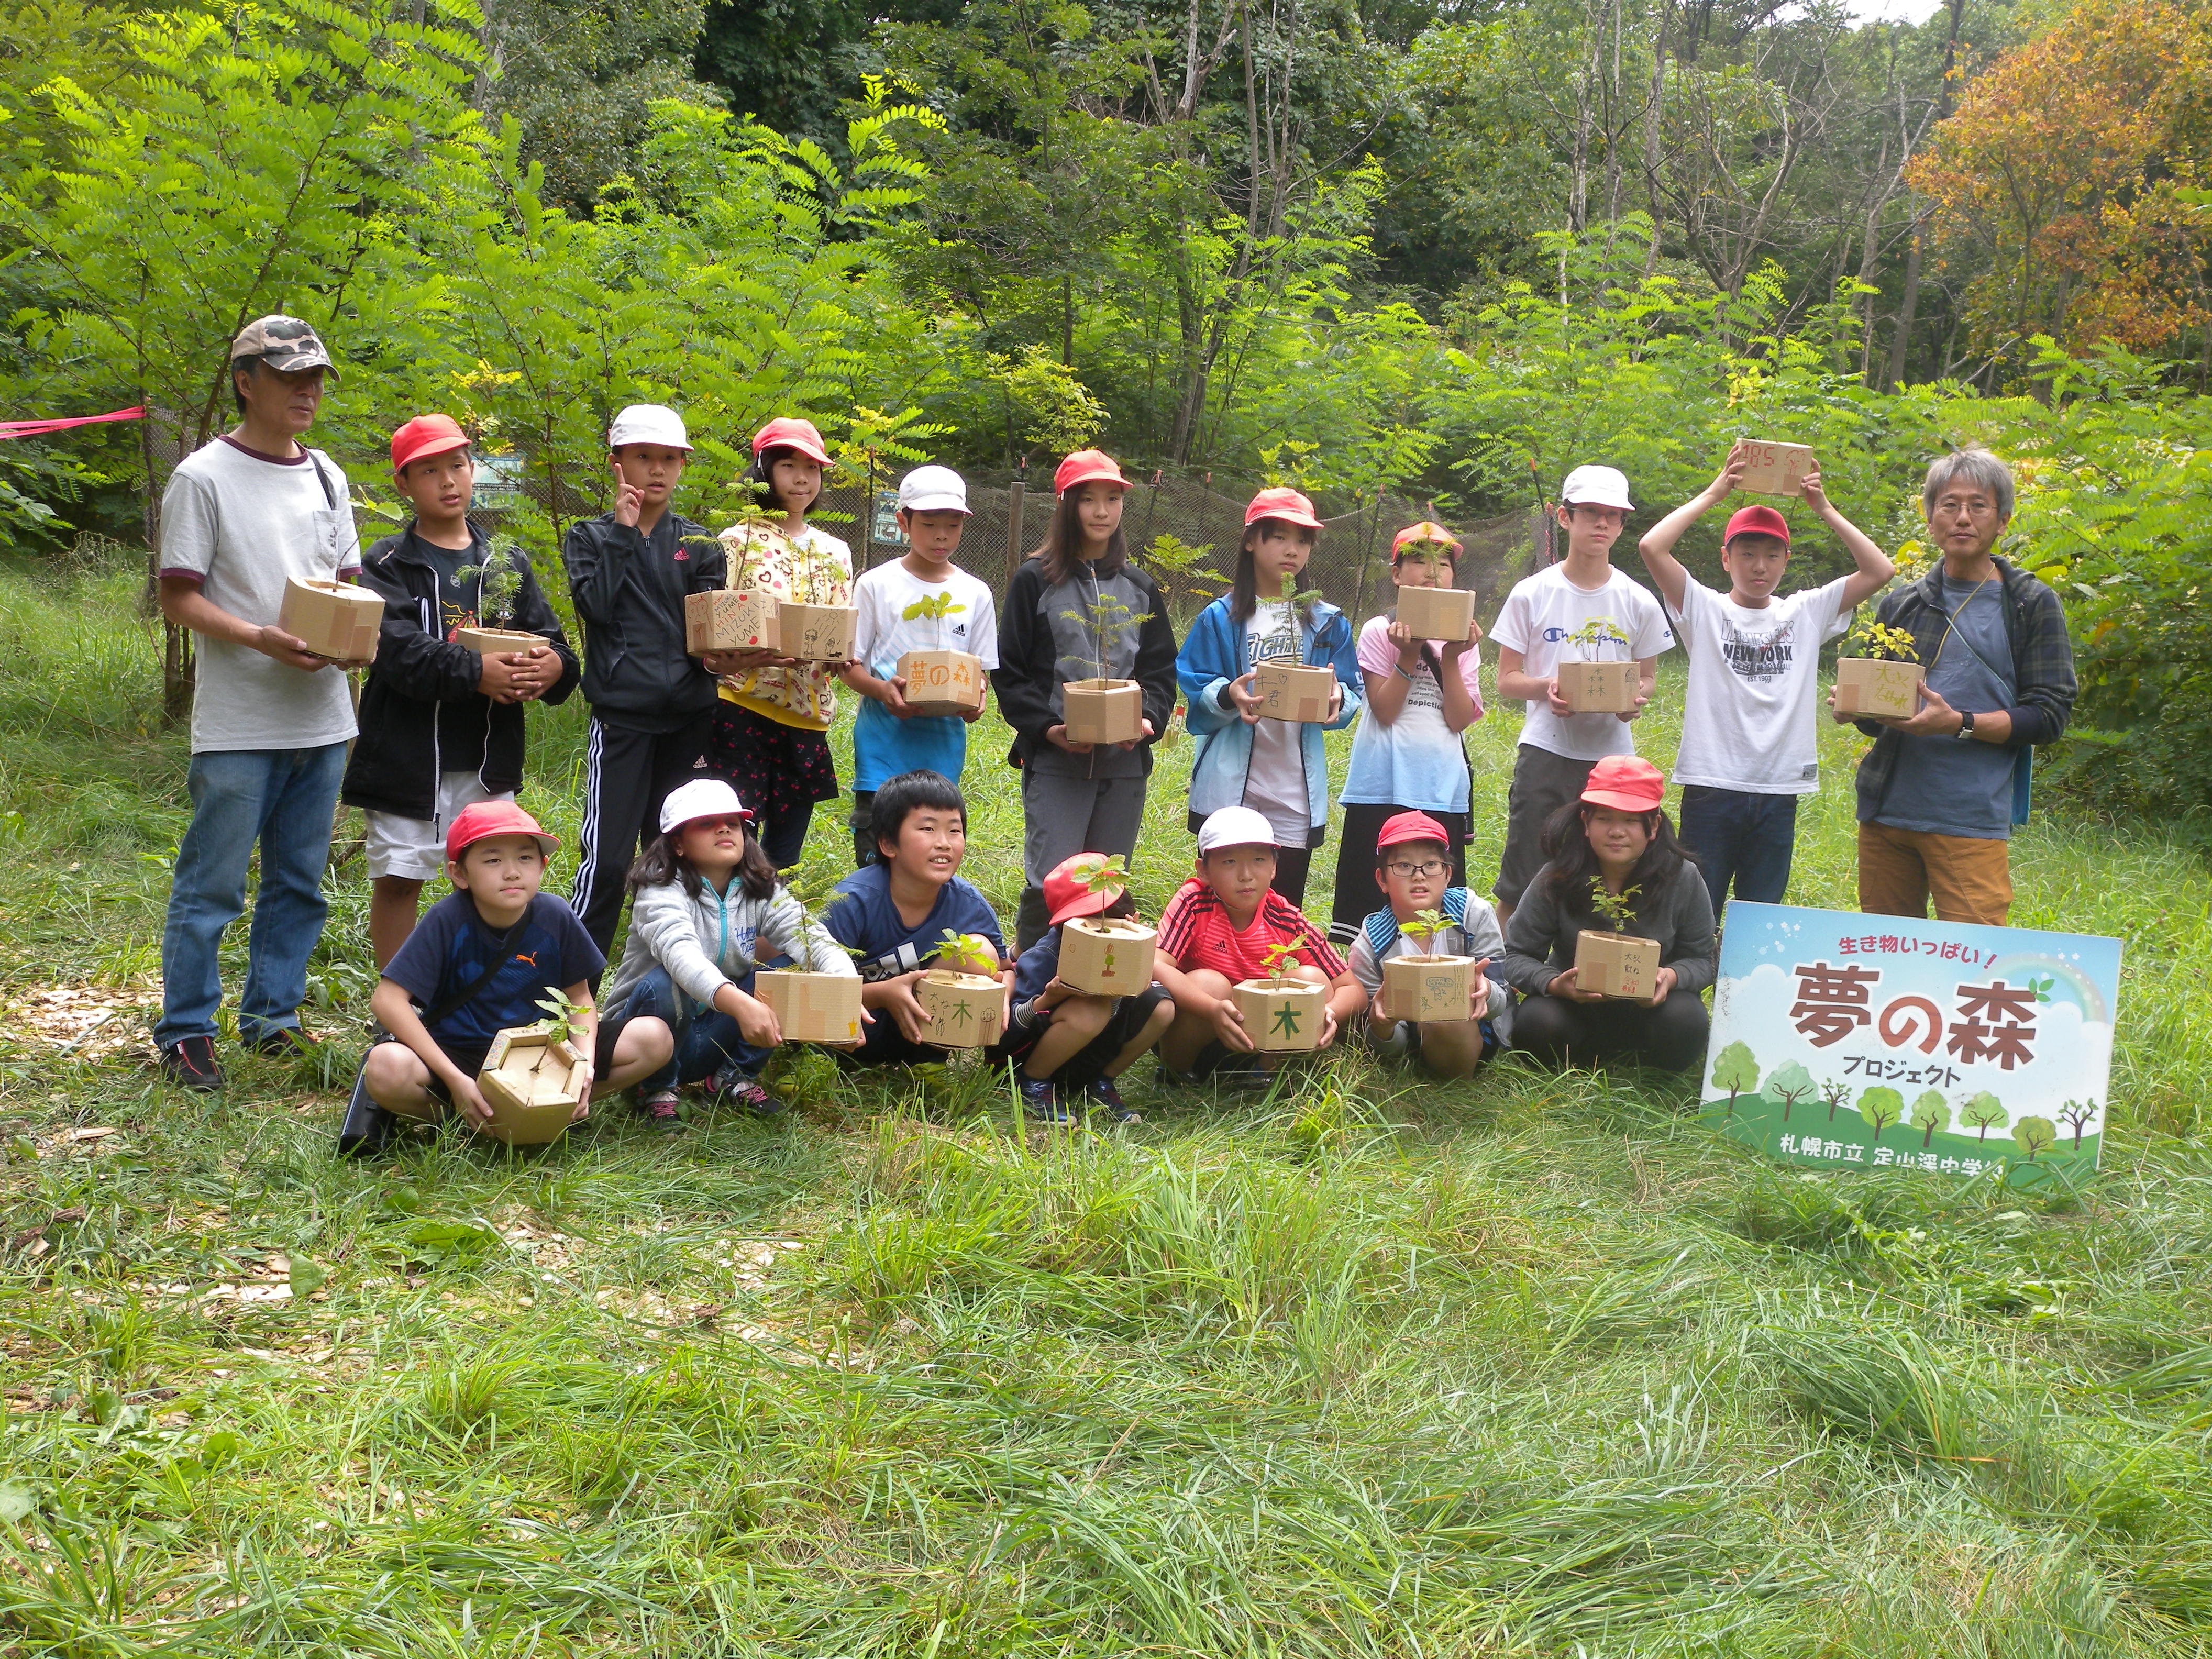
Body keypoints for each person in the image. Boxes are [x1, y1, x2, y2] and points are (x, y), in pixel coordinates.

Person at [153, 316, 364, 1090]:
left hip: (324, 715)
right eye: (290, 376)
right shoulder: (202, 477)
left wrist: (351, 632)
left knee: (301, 881)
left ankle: (273, 1016)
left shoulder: (328, 476)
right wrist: (261, 637)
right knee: (213, 882)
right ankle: (186, 1030)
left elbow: (342, 581)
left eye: (315, 377)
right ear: (247, 381)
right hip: (240, 721)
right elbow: (179, 598)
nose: (308, 390)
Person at [344, 413, 579, 969]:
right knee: (400, 879)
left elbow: (557, 647)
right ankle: (399, 1012)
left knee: (490, 885)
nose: (448, 481)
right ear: (403, 484)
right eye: (429, 471)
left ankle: (475, 1002)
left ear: (475, 471)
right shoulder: (386, 563)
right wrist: (478, 672)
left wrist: (553, 672)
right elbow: (394, 651)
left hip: (486, 764)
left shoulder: (505, 562)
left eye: (457, 465)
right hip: (405, 759)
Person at [1637, 444, 1894, 913]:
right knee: (1698, 911)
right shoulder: (1705, 609)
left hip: (1779, 788)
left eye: (1772, 555)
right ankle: (1691, 987)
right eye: (1748, 553)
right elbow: (1652, 547)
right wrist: (1716, 492)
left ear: (1786, 561)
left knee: (1760, 915)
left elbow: (1880, 570)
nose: (1760, 566)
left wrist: (1824, 507)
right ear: (1726, 559)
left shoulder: (1806, 612)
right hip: (1713, 784)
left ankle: (1743, 989)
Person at [1834, 447, 2076, 926]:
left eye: (1978, 506)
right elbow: (1878, 719)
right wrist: (1854, 707)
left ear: (2002, 520)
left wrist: (1958, 724)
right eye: (1949, 505)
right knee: (1886, 954)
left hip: (1970, 820)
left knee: (1972, 961)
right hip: (1887, 813)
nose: (1963, 518)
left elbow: (2049, 715)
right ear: (1930, 519)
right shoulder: (1903, 604)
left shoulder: (2030, 604)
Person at [362, 801, 668, 1131]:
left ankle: (550, 1109)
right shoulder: (446, 920)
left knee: (655, 1038)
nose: (512, 871)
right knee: (385, 1067)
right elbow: (387, 1000)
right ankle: (472, 1117)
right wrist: (455, 1080)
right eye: (493, 860)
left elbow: (580, 999)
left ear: (542, 866)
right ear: (459, 873)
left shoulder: (555, 915)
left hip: (540, 1051)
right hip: (461, 1055)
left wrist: (583, 1066)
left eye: (525, 858)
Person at [996, 449, 1179, 950]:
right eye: (1090, 499)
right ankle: (1032, 986)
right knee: (1051, 879)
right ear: (1066, 505)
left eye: (1113, 499)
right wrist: (1050, 729)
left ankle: (1096, 986)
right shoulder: (1034, 580)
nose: (1103, 511)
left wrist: (1147, 720)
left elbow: (1161, 672)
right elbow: (1009, 672)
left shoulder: (1140, 587)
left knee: (1107, 881)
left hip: (1124, 763)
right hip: (1057, 759)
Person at [563, 404, 727, 957]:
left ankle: (671, 972)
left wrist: (728, 659)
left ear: (682, 465)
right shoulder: (589, 537)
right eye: (643, 458)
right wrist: (624, 533)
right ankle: (574, 982)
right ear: (617, 464)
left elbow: (710, 635)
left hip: (689, 720)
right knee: (608, 860)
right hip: (622, 720)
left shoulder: (701, 544)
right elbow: (597, 608)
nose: (657, 470)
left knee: (677, 857)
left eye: (668, 459)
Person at [600, 779, 856, 1123]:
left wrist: (847, 993)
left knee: (787, 967)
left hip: (716, 1031)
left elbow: (811, 937)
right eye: (706, 823)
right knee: (665, 980)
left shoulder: (760, 889)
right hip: (647, 1041)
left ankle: (734, 1077)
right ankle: (656, 1088)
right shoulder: (659, 891)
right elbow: (681, 955)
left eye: (733, 823)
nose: (724, 828)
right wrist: (741, 1003)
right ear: (677, 843)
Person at [1488, 464, 1673, 930]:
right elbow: (1507, 679)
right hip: (1546, 752)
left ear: (1623, 524)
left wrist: (1634, 698)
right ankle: (1507, 982)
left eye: (1613, 515)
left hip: (1613, 764)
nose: (1602, 524)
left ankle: (1594, 973)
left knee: (1608, 876)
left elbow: (1648, 679)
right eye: (1591, 512)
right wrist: (1545, 689)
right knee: (1523, 877)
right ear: (1564, 517)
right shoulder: (1533, 594)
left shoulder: (1638, 600)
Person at [1178, 488, 1364, 909]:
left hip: (1294, 787)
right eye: (1278, 537)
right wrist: (1229, 694)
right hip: (1229, 782)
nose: (1292, 550)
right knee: (1220, 905)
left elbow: (1350, 691)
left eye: (1302, 541)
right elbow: (1195, 682)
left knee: (1283, 906)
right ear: (1250, 540)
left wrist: (1337, 698)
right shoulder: (1220, 617)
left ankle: (1275, 976)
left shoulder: (1327, 621)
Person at [1494, 757, 1716, 1074]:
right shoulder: (1556, 877)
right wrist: (1556, 984)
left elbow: (1702, 959)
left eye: (1630, 820)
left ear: (1653, 827)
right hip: (1575, 1008)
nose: (1616, 832)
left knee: (1687, 1020)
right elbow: (1517, 955)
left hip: (1652, 1009)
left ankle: (1652, 1066)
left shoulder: (1683, 878)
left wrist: (1669, 978)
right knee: (1536, 1022)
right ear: (1585, 823)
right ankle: (1578, 1058)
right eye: (1604, 818)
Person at [707, 416, 854, 871]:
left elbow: (840, 627)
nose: (802, 478)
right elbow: (718, 629)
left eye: (812, 468)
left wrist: (838, 655)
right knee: (734, 834)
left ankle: (773, 935)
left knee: (786, 848)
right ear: (764, 470)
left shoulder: (836, 550)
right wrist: (750, 652)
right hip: (742, 705)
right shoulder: (737, 540)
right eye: (789, 465)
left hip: (808, 714)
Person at [1330, 520, 1485, 945]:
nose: (1433, 571)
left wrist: (1451, 658)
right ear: (1397, 575)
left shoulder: (1465, 640)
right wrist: (1409, 654)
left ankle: (1429, 981)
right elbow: (1383, 710)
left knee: (1435, 902)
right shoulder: (1380, 630)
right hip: (1381, 785)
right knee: (1369, 899)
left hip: (1440, 787)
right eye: (1418, 560)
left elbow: (1457, 719)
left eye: (1443, 563)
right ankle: (1365, 995)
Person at [840, 463, 998, 866]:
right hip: (882, 748)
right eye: (929, 524)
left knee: (932, 857)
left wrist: (976, 701)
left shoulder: (975, 593)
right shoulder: (875, 584)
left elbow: (979, 674)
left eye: (952, 525)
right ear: (903, 522)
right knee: (878, 852)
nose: (942, 536)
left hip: (942, 750)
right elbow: (850, 664)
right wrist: (883, 691)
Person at [1151, 806, 1366, 1085]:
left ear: (1274, 867)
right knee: (1210, 983)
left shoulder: (1286, 919)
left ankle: (1262, 1075)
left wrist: (1329, 1012)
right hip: (1197, 1034)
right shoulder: (1194, 903)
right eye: (1229, 862)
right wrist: (1212, 1009)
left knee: (1311, 979)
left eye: (1259, 860)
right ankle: (1176, 1075)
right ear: (1203, 871)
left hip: (1263, 1044)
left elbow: (1353, 989)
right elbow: (1155, 964)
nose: (1246, 874)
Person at [822, 770, 1011, 1067]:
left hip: (913, 1031)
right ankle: (813, 1065)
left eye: (954, 830)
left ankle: (927, 1062)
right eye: (927, 829)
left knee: (979, 953)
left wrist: (1003, 995)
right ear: (888, 844)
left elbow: (1004, 970)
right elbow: (808, 985)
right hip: (844, 1035)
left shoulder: (968, 905)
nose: (944, 843)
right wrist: (883, 994)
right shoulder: (852, 902)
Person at [994, 853, 1173, 1126]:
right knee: (1091, 1009)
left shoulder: (1131, 951)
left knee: (1161, 1006)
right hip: (1028, 1054)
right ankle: (1032, 1083)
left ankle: (1099, 1081)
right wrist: (1048, 999)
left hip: (1087, 1052)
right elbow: (1006, 1031)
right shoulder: (1046, 956)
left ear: (1132, 921)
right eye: (1084, 926)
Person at [1348, 811, 1509, 1078]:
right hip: (1411, 1046)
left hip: (1474, 1030)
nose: (1419, 876)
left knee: (1446, 1012)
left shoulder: (1473, 914)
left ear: (1448, 874)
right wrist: (1381, 1026)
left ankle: (1458, 1079)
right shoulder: (1371, 944)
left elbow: (1501, 999)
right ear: (1382, 880)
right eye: (1404, 866)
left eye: (1431, 865)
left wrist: (1486, 990)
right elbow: (1387, 1047)